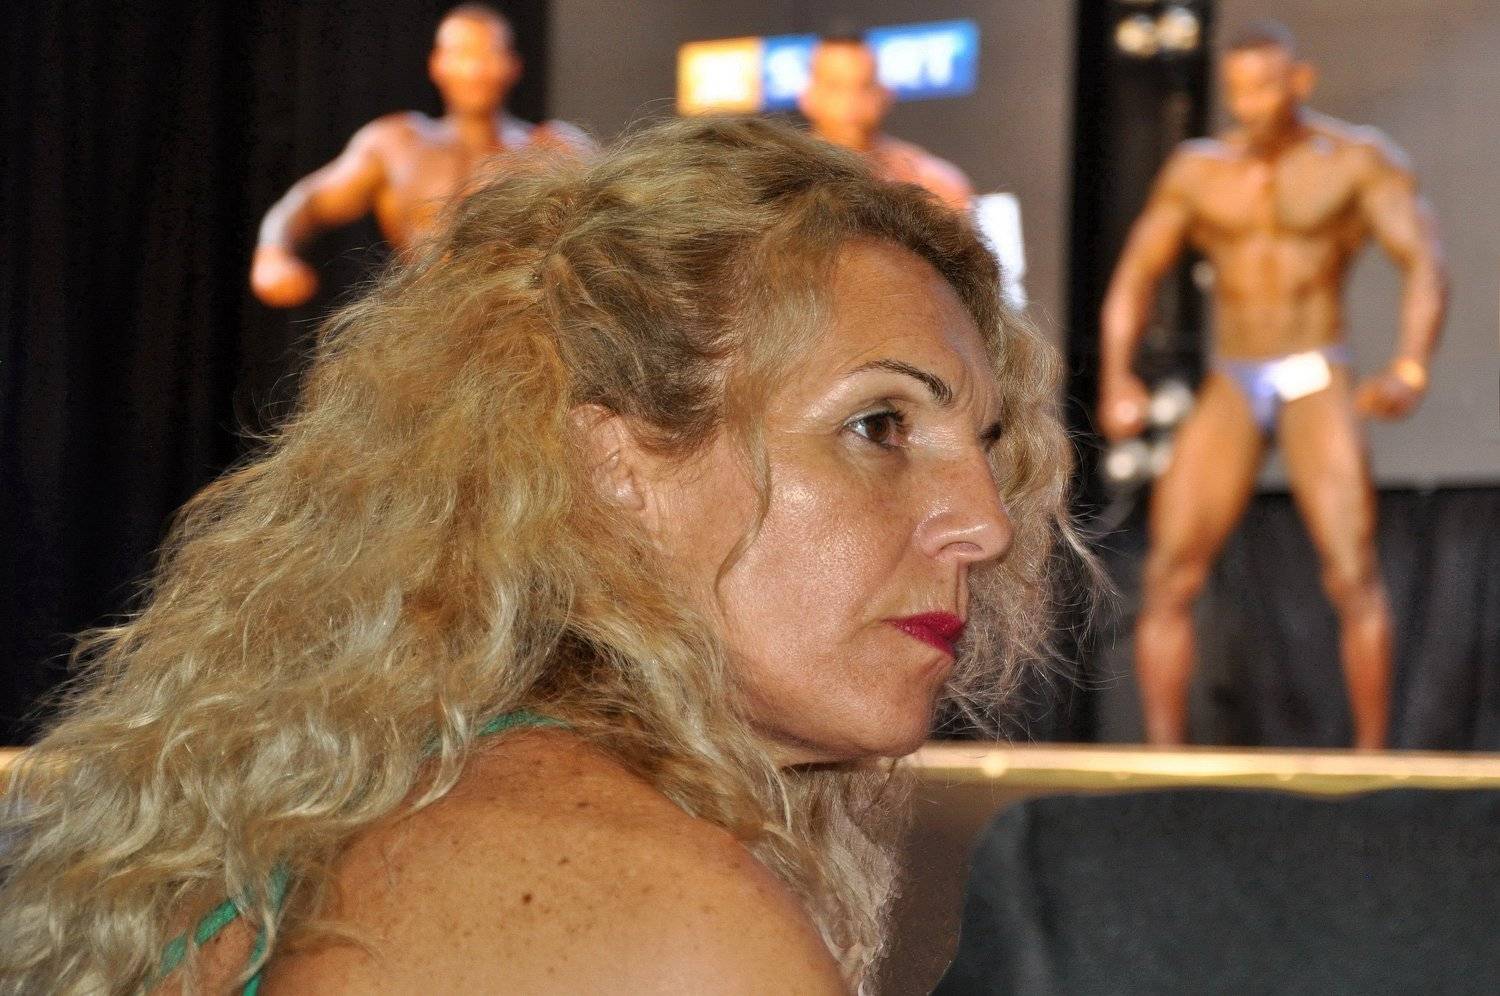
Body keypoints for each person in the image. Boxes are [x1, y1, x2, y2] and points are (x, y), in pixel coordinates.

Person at [0, 117, 1083, 993]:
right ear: (614, 462)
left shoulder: (375, 805)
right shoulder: (660, 911)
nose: (985, 525)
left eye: (987, 448)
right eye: (879, 426)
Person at [1098, 21, 1446, 749]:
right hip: (1236, 371)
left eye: (1263, 88)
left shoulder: (1356, 160)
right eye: (1237, 92)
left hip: (1315, 366)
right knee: (1170, 574)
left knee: (1351, 571)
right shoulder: (1198, 169)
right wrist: (1116, 373)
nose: (1248, 105)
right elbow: (1136, 274)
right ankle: (1163, 760)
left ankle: (1372, 760)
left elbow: (1422, 260)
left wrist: (1410, 364)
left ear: (1299, 82)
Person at [249, 4, 592, 309]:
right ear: (437, 64)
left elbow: (614, 223)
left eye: (488, 53)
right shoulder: (396, 145)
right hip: (425, 331)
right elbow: (310, 202)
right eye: (461, 53)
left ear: (513, 66)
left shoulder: (554, 150)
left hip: (522, 332)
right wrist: (272, 252)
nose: (474, 69)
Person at [798, 35, 974, 212]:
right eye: (834, 87)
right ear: (808, 96)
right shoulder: (789, 181)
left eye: (865, 85)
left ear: (884, 94)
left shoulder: (932, 183)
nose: (851, 102)